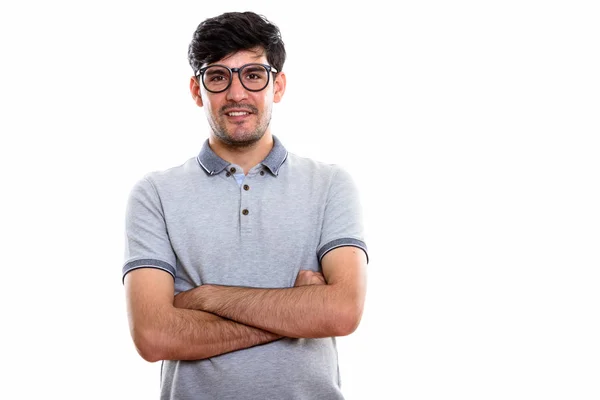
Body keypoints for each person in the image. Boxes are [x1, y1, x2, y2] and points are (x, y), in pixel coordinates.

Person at [122, 11, 369, 400]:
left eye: (253, 75)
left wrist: (205, 298)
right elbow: (153, 336)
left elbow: (341, 313)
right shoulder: (155, 193)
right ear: (196, 89)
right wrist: (299, 313)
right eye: (218, 76)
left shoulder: (330, 184)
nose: (236, 93)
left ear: (279, 85)